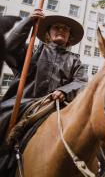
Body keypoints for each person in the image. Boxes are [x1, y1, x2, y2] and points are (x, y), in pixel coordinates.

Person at [0, 9, 87, 155]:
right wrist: (28, 22)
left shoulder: (75, 61)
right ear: (47, 34)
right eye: (57, 27)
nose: (61, 30)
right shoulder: (31, 52)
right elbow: (9, 48)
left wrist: (64, 91)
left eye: (65, 29)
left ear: (69, 37)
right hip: (25, 104)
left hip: (58, 107)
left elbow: (81, 82)